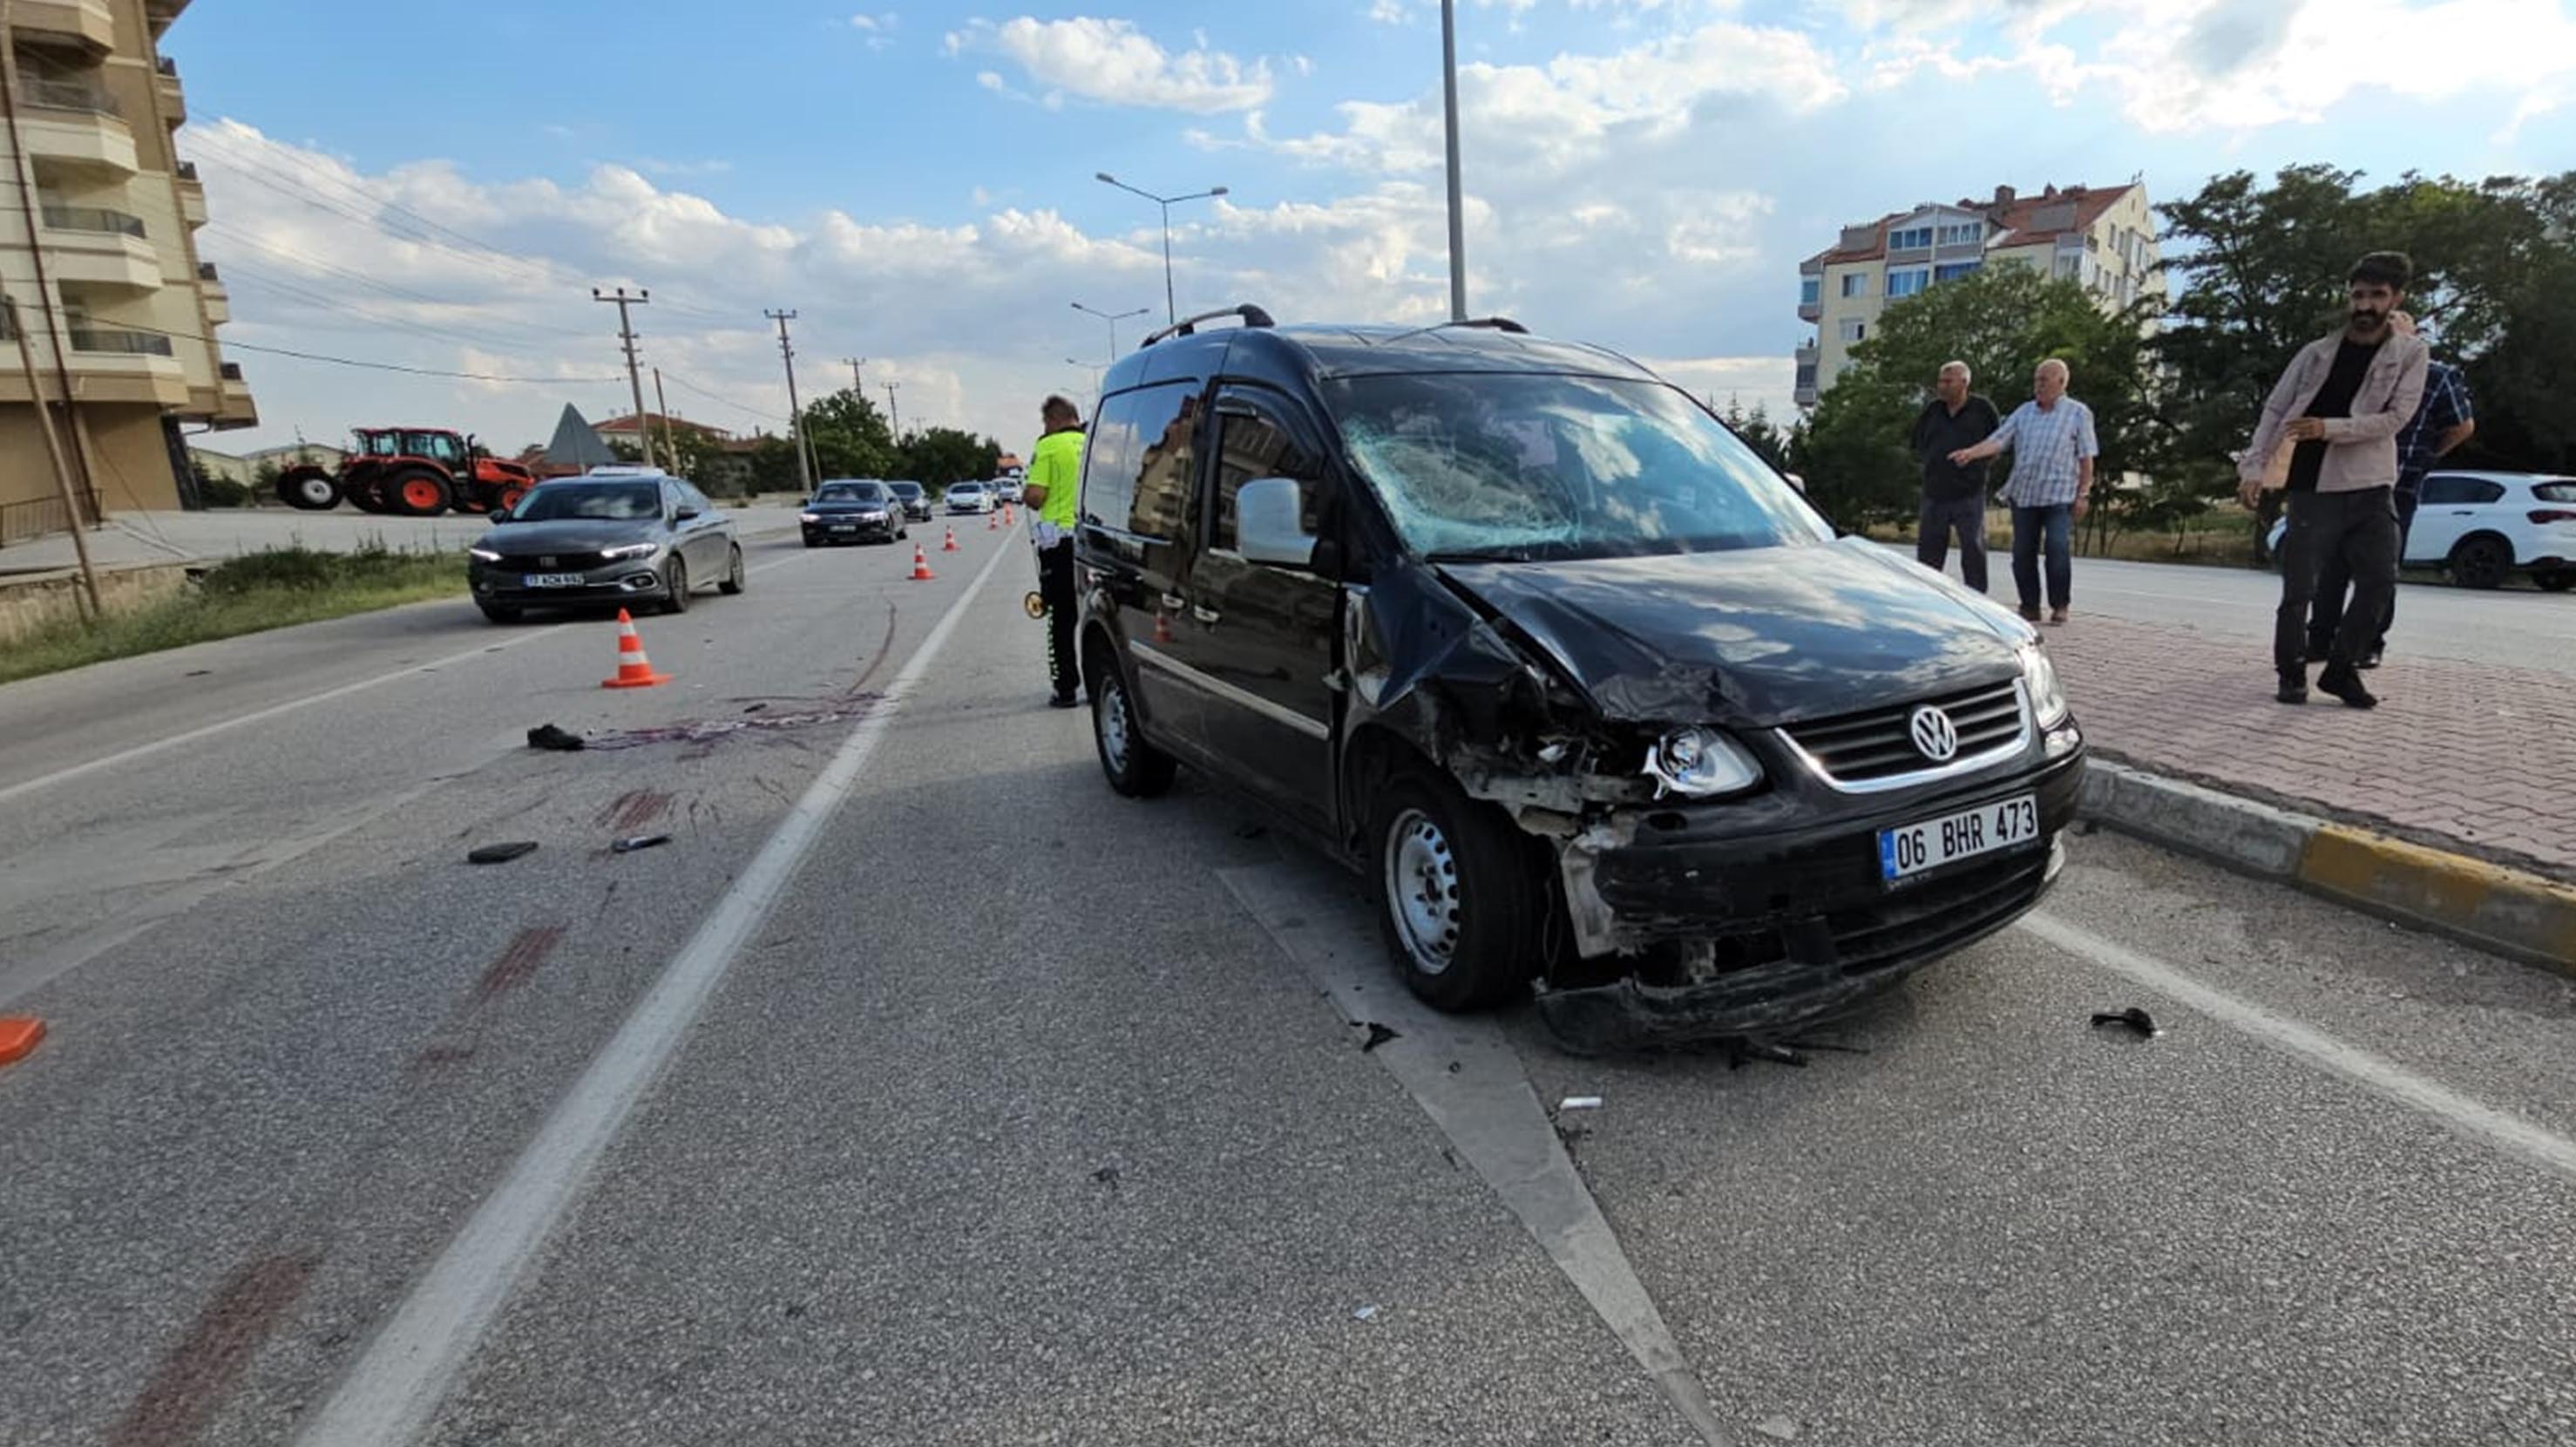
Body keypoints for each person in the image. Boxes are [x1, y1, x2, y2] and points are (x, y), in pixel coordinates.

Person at [2236, 252, 2428, 708]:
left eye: (2377, 296)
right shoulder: (2316, 352)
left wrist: (2330, 428)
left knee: (2380, 581)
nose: (2365, 305)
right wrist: (2253, 468)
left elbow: (2396, 417)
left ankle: (2342, 669)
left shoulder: (2410, 354)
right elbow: (2276, 409)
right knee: (2299, 588)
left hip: (2370, 483)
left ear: (2396, 298)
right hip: (2313, 484)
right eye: (2358, 295)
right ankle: (2291, 672)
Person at [2303, 309, 2472, 669]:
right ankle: (2319, 638)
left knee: (2380, 570)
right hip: (2346, 478)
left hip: (2398, 484)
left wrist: (2427, 458)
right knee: (2332, 564)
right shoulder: (2359, 366)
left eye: (2398, 325)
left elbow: (2462, 426)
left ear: (2414, 335)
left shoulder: (2437, 375)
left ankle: (2368, 642)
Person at [1948, 358, 2097, 625]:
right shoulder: (2025, 412)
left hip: (2059, 496)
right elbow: (1998, 440)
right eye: (2036, 379)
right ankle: (2029, 606)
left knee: (2057, 548)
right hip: (2025, 494)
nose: (2038, 385)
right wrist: (1971, 453)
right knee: (2022, 553)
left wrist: (2083, 494)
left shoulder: (2078, 413)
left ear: (2061, 382)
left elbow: (2087, 457)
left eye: (2044, 380)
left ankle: (2060, 604)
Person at [1908, 361, 2001, 593]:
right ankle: (1927, 596)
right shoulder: (1932, 410)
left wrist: (1976, 463)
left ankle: (1978, 598)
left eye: (1948, 381)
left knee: (1972, 547)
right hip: (1935, 491)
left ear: (1964, 382)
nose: (1942, 386)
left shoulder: (1983, 409)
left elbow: (1997, 443)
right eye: (1940, 381)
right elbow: (1917, 442)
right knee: (1929, 549)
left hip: (1968, 492)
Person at [1023, 395, 1087, 710]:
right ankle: (1098, 685)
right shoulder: (1093, 442)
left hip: (1060, 544)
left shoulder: (1048, 446)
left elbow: (1036, 496)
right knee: (1095, 616)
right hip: (1095, 539)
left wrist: (1026, 491)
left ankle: (1066, 690)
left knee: (1061, 619)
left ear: (1053, 420)